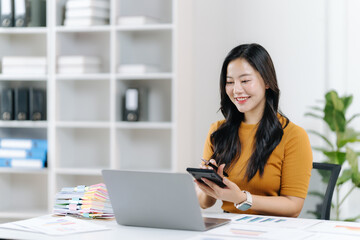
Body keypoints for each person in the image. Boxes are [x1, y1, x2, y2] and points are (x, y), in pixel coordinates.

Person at [195, 43, 312, 217]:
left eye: (245, 81)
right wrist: (207, 182)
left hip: (274, 230)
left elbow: (294, 206)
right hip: (229, 229)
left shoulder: (293, 135)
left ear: (266, 82)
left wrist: (242, 198)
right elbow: (204, 203)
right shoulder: (217, 131)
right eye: (229, 82)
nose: (236, 90)